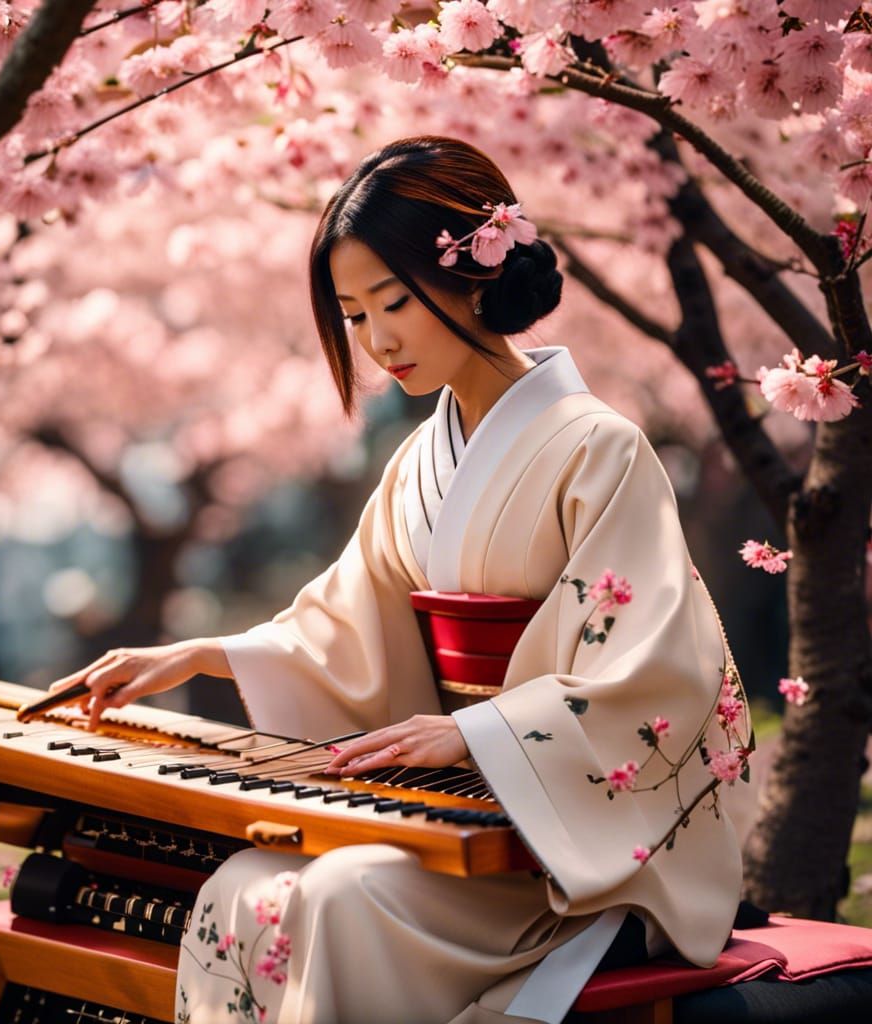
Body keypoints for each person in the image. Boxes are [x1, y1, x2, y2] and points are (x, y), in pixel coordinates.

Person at [48, 136, 751, 1024]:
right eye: (354, 316)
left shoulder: (600, 448)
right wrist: (206, 653)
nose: (379, 343)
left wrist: (478, 735)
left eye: (395, 303)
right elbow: (346, 622)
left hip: (569, 845)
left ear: (474, 275)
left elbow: (650, 674)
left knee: (344, 898)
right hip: (466, 814)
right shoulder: (420, 460)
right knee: (251, 882)